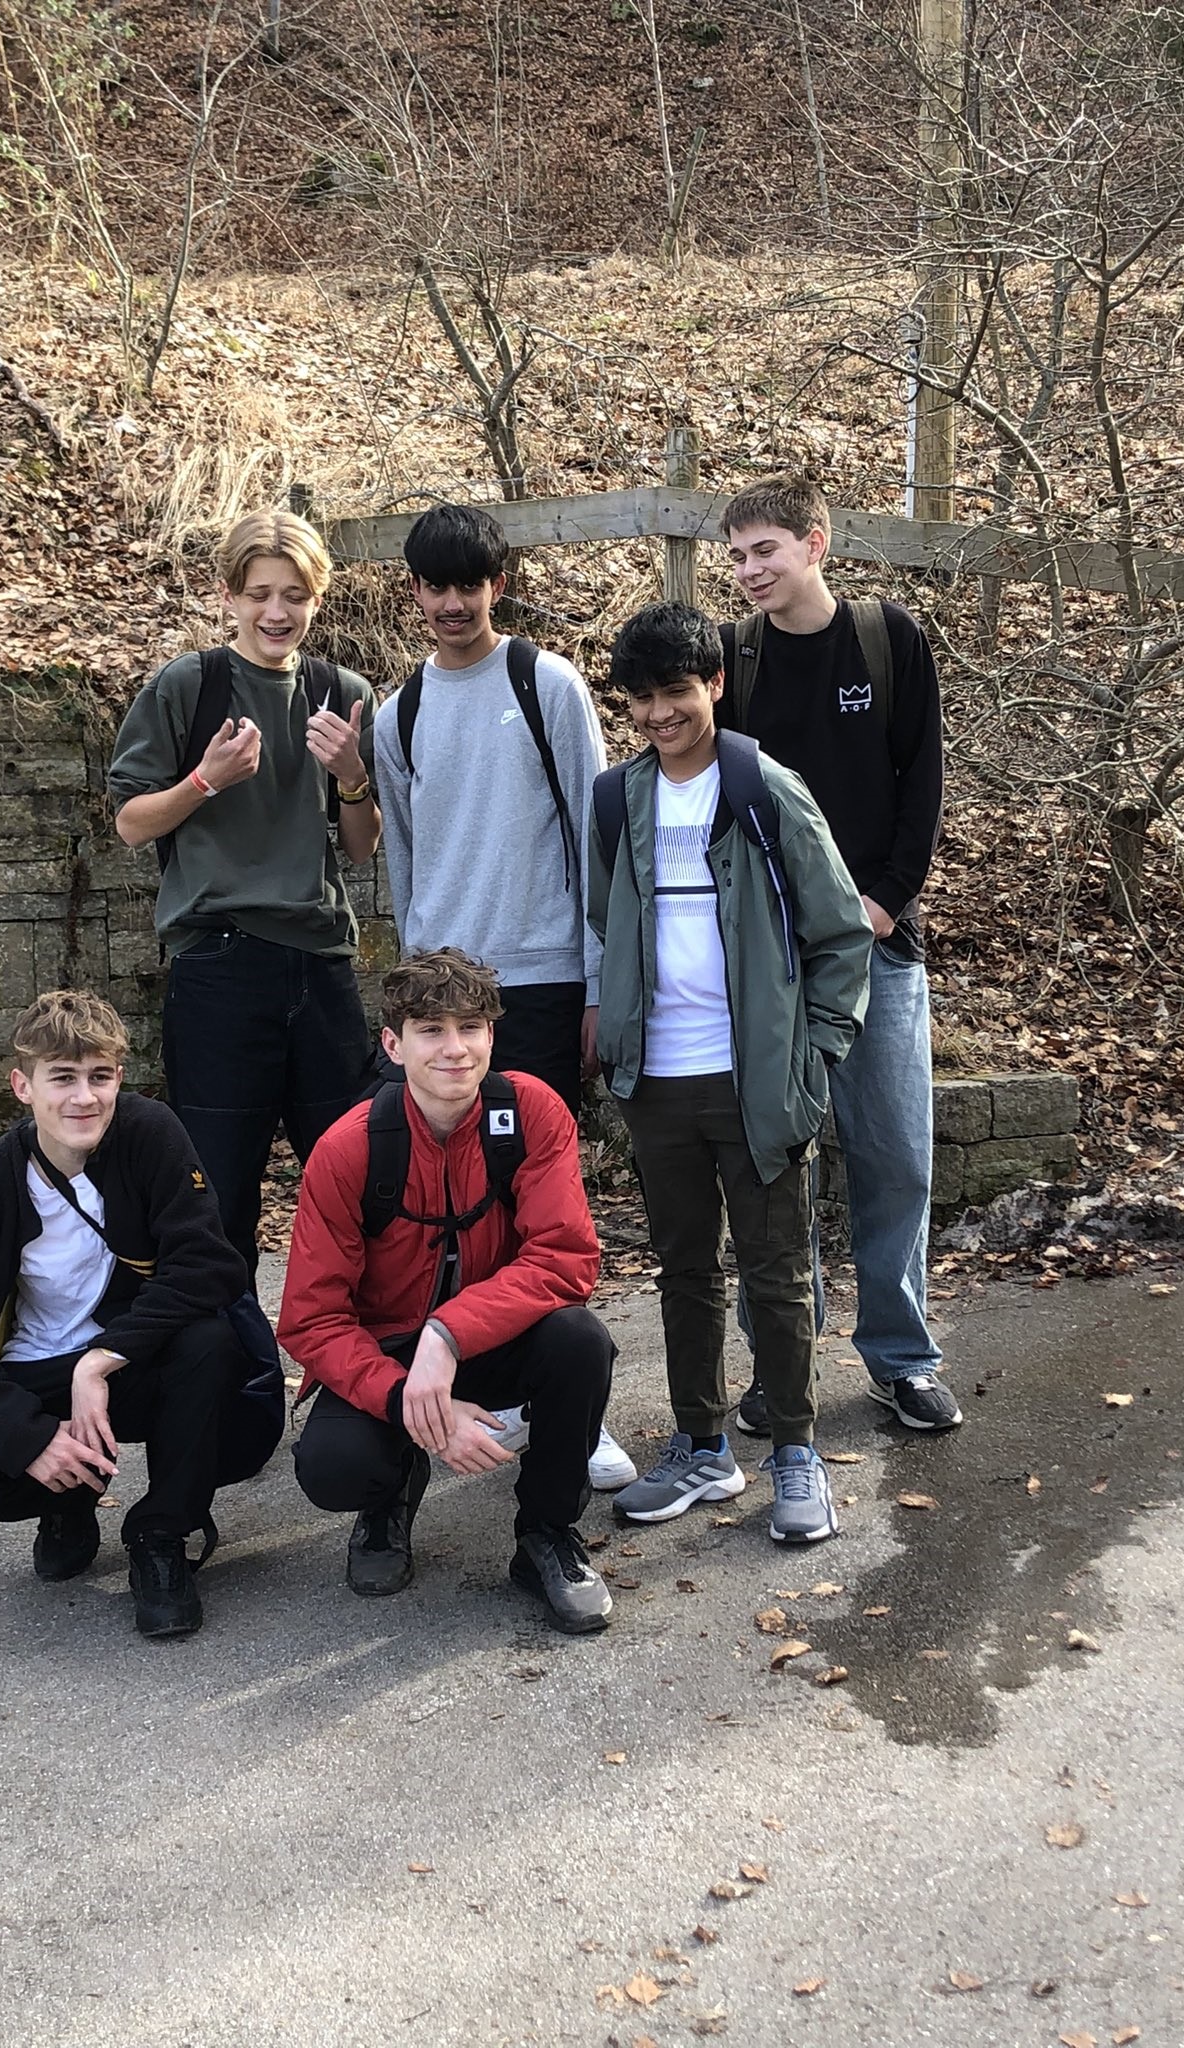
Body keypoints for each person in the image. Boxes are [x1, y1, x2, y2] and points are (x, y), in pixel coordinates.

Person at [588, 603, 871, 1545]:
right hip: (657, 1082)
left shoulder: (766, 790)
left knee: (776, 1273)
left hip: (757, 1081)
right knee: (683, 1271)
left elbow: (841, 933)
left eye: (676, 690)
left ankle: (795, 1452)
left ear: (714, 683)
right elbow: (606, 918)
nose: (659, 713)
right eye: (641, 698)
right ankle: (702, 1445)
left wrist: (815, 1051)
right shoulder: (616, 799)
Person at [372, 501, 634, 1491]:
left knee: (539, 1201)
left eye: (469, 584)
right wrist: (410, 993)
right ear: (414, 592)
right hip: (442, 991)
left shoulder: (546, 684)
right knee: (448, 1201)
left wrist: (598, 982)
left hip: (540, 976)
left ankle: (571, 1404)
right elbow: (403, 859)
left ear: (499, 584)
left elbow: (595, 839)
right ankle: (479, 1388)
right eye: (435, 586)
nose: (453, 603)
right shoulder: (397, 713)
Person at [718, 476, 962, 1433]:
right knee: (776, 1166)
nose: (749, 571)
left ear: (815, 543)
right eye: (737, 556)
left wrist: (885, 903)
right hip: (769, 962)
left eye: (765, 551)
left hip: (879, 949)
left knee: (894, 1157)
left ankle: (902, 1360)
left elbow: (922, 782)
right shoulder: (732, 658)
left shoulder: (886, 640)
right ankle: (784, 1365)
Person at [278, 949, 617, 1634]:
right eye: (431, 1030)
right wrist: (412, 1402)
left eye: (471, 1027)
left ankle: (547, 1531)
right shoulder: (347, 1149)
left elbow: (565, 1259)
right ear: (393, 1044)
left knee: (580, 1341)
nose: (455, 1049)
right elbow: (312, 1320)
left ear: (493, 1035)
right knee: (335, 1467)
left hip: (491, 1340)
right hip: (389, 1356)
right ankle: (389, 1498)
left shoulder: (532, 1111)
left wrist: (448, 1333)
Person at [0, 991, 251, 1639]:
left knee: (209, 1342)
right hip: (31, 1374)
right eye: (62, 1078)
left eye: (100, 1076)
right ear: (23, 1086)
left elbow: (209, 1265)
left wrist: (101, 1360)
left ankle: (161, 1534)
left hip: (125, 1363)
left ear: (119, 1078)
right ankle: (68, 1499)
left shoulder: (149, 1134)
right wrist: (29, 1438)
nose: (84, 1098)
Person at [109, 508, 380, 1281]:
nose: (276, 612)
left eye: (294, 595)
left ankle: (350, 1349)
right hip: (219, 968)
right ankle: (225, 1352)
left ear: (317, 599)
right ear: (229, 595)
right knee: (217, 1195)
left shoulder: (341, 693)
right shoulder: (188, 687)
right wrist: (205, 779)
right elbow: (131, 823)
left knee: (355, 1187)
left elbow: (361, 847)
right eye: (259, 594)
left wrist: (352, 776)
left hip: (321, 967)